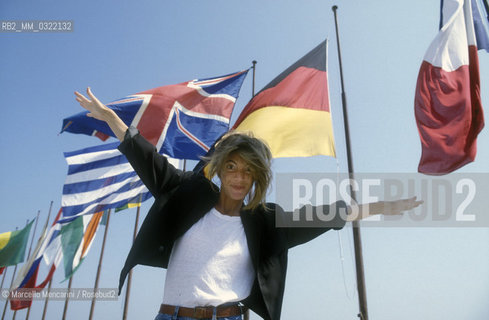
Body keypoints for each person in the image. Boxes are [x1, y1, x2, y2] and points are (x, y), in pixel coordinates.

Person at [74, 88, 422, 320]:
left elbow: (326, 215)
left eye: (248, 171)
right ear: (221, 170)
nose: (239, 177)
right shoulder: (189, 194)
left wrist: (381, 207)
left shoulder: (266, 222)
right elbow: (149, 160)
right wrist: (112, 120)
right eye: (232, 167)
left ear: (257, 178)